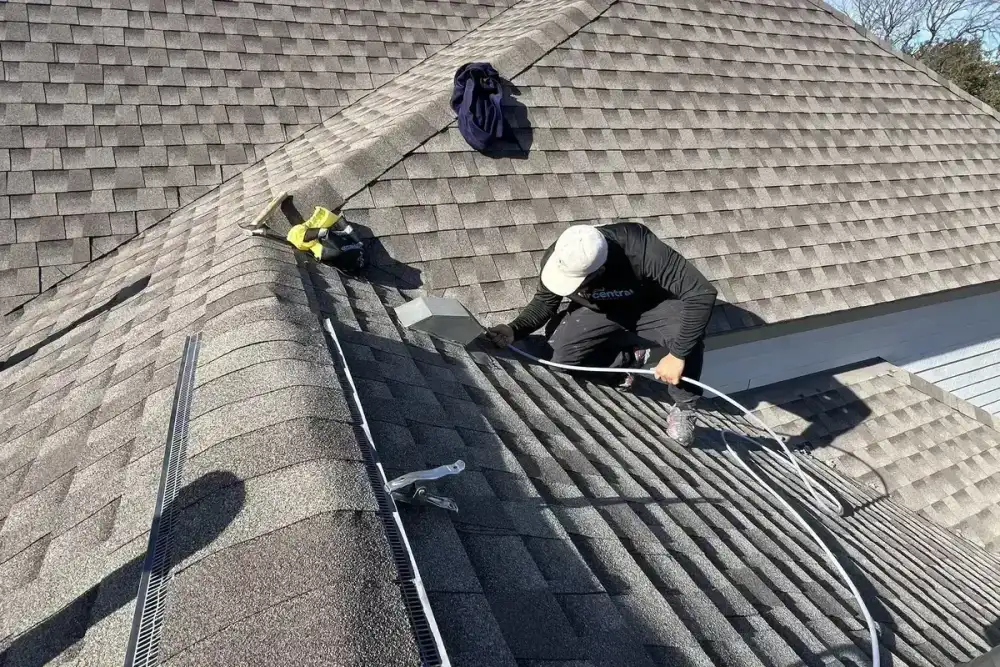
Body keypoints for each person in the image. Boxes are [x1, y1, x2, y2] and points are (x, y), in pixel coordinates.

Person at [485, 221, 717, 445]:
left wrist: (677, 355)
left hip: (651, 305)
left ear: (599, 271)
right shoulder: (562, 256)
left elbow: (702, 293)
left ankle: (685, 406)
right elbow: (545, 302)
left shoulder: (640, 248)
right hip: (602, 311)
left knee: (687, 335)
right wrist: (514, 329)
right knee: (558, 359)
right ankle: (624, 362)